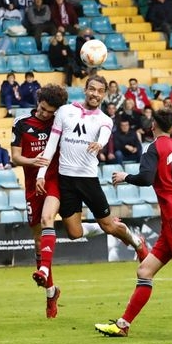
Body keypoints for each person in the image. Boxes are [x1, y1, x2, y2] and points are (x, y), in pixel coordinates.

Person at [95, 107, 172, 337]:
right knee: (145, 270)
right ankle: (123, 325)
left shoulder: (154, 147)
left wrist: (124, 177)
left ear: (153, 127)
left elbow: (147, 178)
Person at [33, 76, 149, 302]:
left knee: (108, 228)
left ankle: (137, 242)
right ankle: (114, 225)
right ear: (85, 90)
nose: (95, 94)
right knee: (74, 233)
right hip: (66, 180)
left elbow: (105, 132)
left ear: (104, 95)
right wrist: (41, 174)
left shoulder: (105, 119)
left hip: (88, 180)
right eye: (92, 89)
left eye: (100, 91)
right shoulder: (65, 111)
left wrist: (101, 143)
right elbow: (51, 145)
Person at [10, 84, 70, 318]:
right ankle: (51, 293)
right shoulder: (22, 123)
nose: (46, 114)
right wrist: (32, 162)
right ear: (38, 102)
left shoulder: (60, 123)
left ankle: (44, 271)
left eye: (50, 112)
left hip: (56, 180)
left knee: (48, 220)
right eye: (43, 109)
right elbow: (15, 157)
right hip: (32, 185)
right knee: (38, 240)